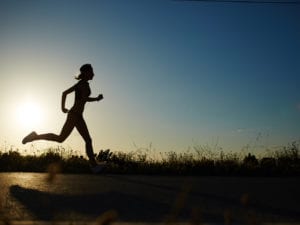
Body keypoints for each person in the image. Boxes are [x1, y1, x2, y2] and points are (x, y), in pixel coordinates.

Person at [22, 64, 105, 173]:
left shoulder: (82, 84)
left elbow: (67, 94)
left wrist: (63, 108)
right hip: (74, 115)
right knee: (61, 138)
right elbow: (74, 96)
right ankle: (34, 136)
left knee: (87, 140)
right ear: (85, 73)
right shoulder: (81, 85)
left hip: (77, 116)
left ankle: (94, 165)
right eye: (91, 71)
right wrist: (97, 99)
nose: (93, 74)